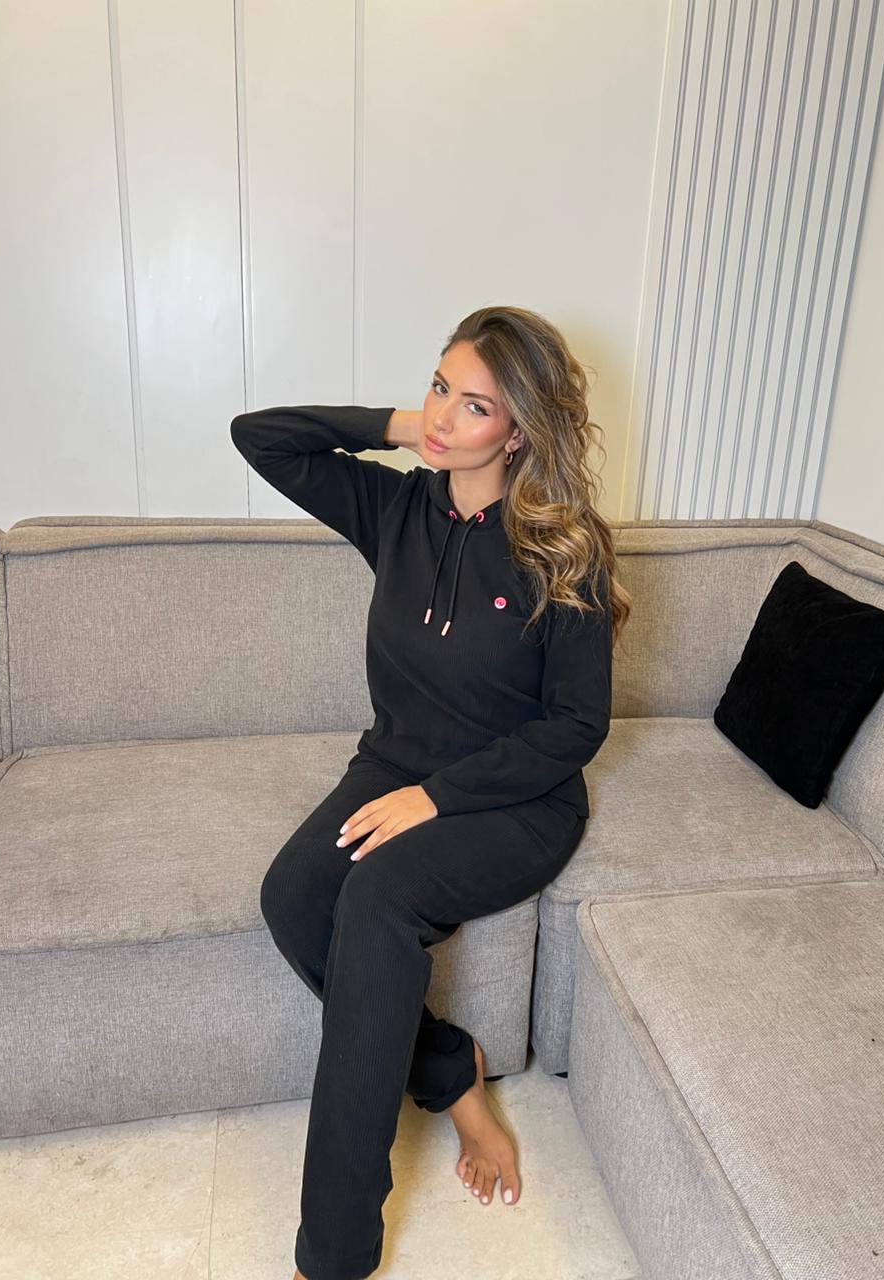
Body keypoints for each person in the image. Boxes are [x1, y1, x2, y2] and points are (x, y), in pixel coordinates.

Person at [230, 305, 630, 1280]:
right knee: (293, 894)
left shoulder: (567, 546)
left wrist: (438, 798)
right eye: (441, 386)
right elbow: (259, 435)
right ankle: (454, 1072)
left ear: (523, 428)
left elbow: (576, 728)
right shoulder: (397, 508)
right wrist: (404, 427)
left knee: (376, 899)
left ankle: (334, 1255)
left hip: (518, 795)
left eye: (476, 404)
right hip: (395, 759)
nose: (448, 414)